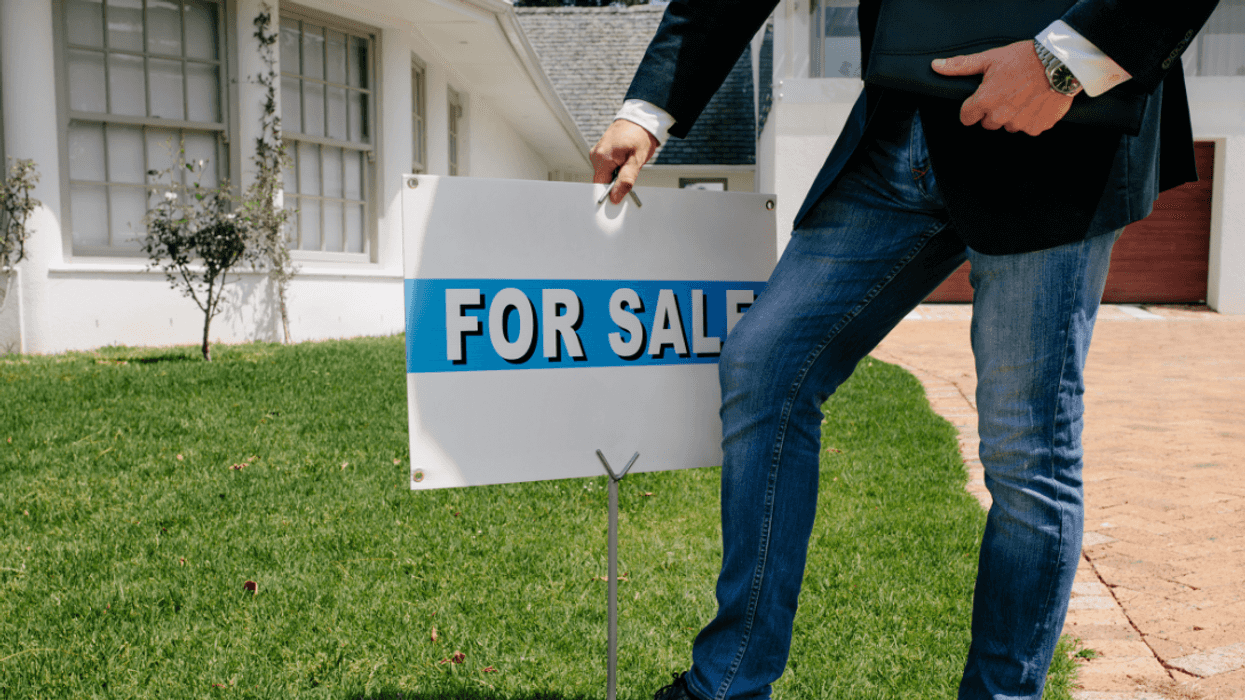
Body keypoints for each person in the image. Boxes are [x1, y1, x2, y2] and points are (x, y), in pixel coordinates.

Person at [589, 2, 1221, 699]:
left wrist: (1063, 63)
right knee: (765, 363)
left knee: (1025, 450)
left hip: (1059, 136)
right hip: (899, 132)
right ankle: (727, 683)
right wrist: (650, 108)